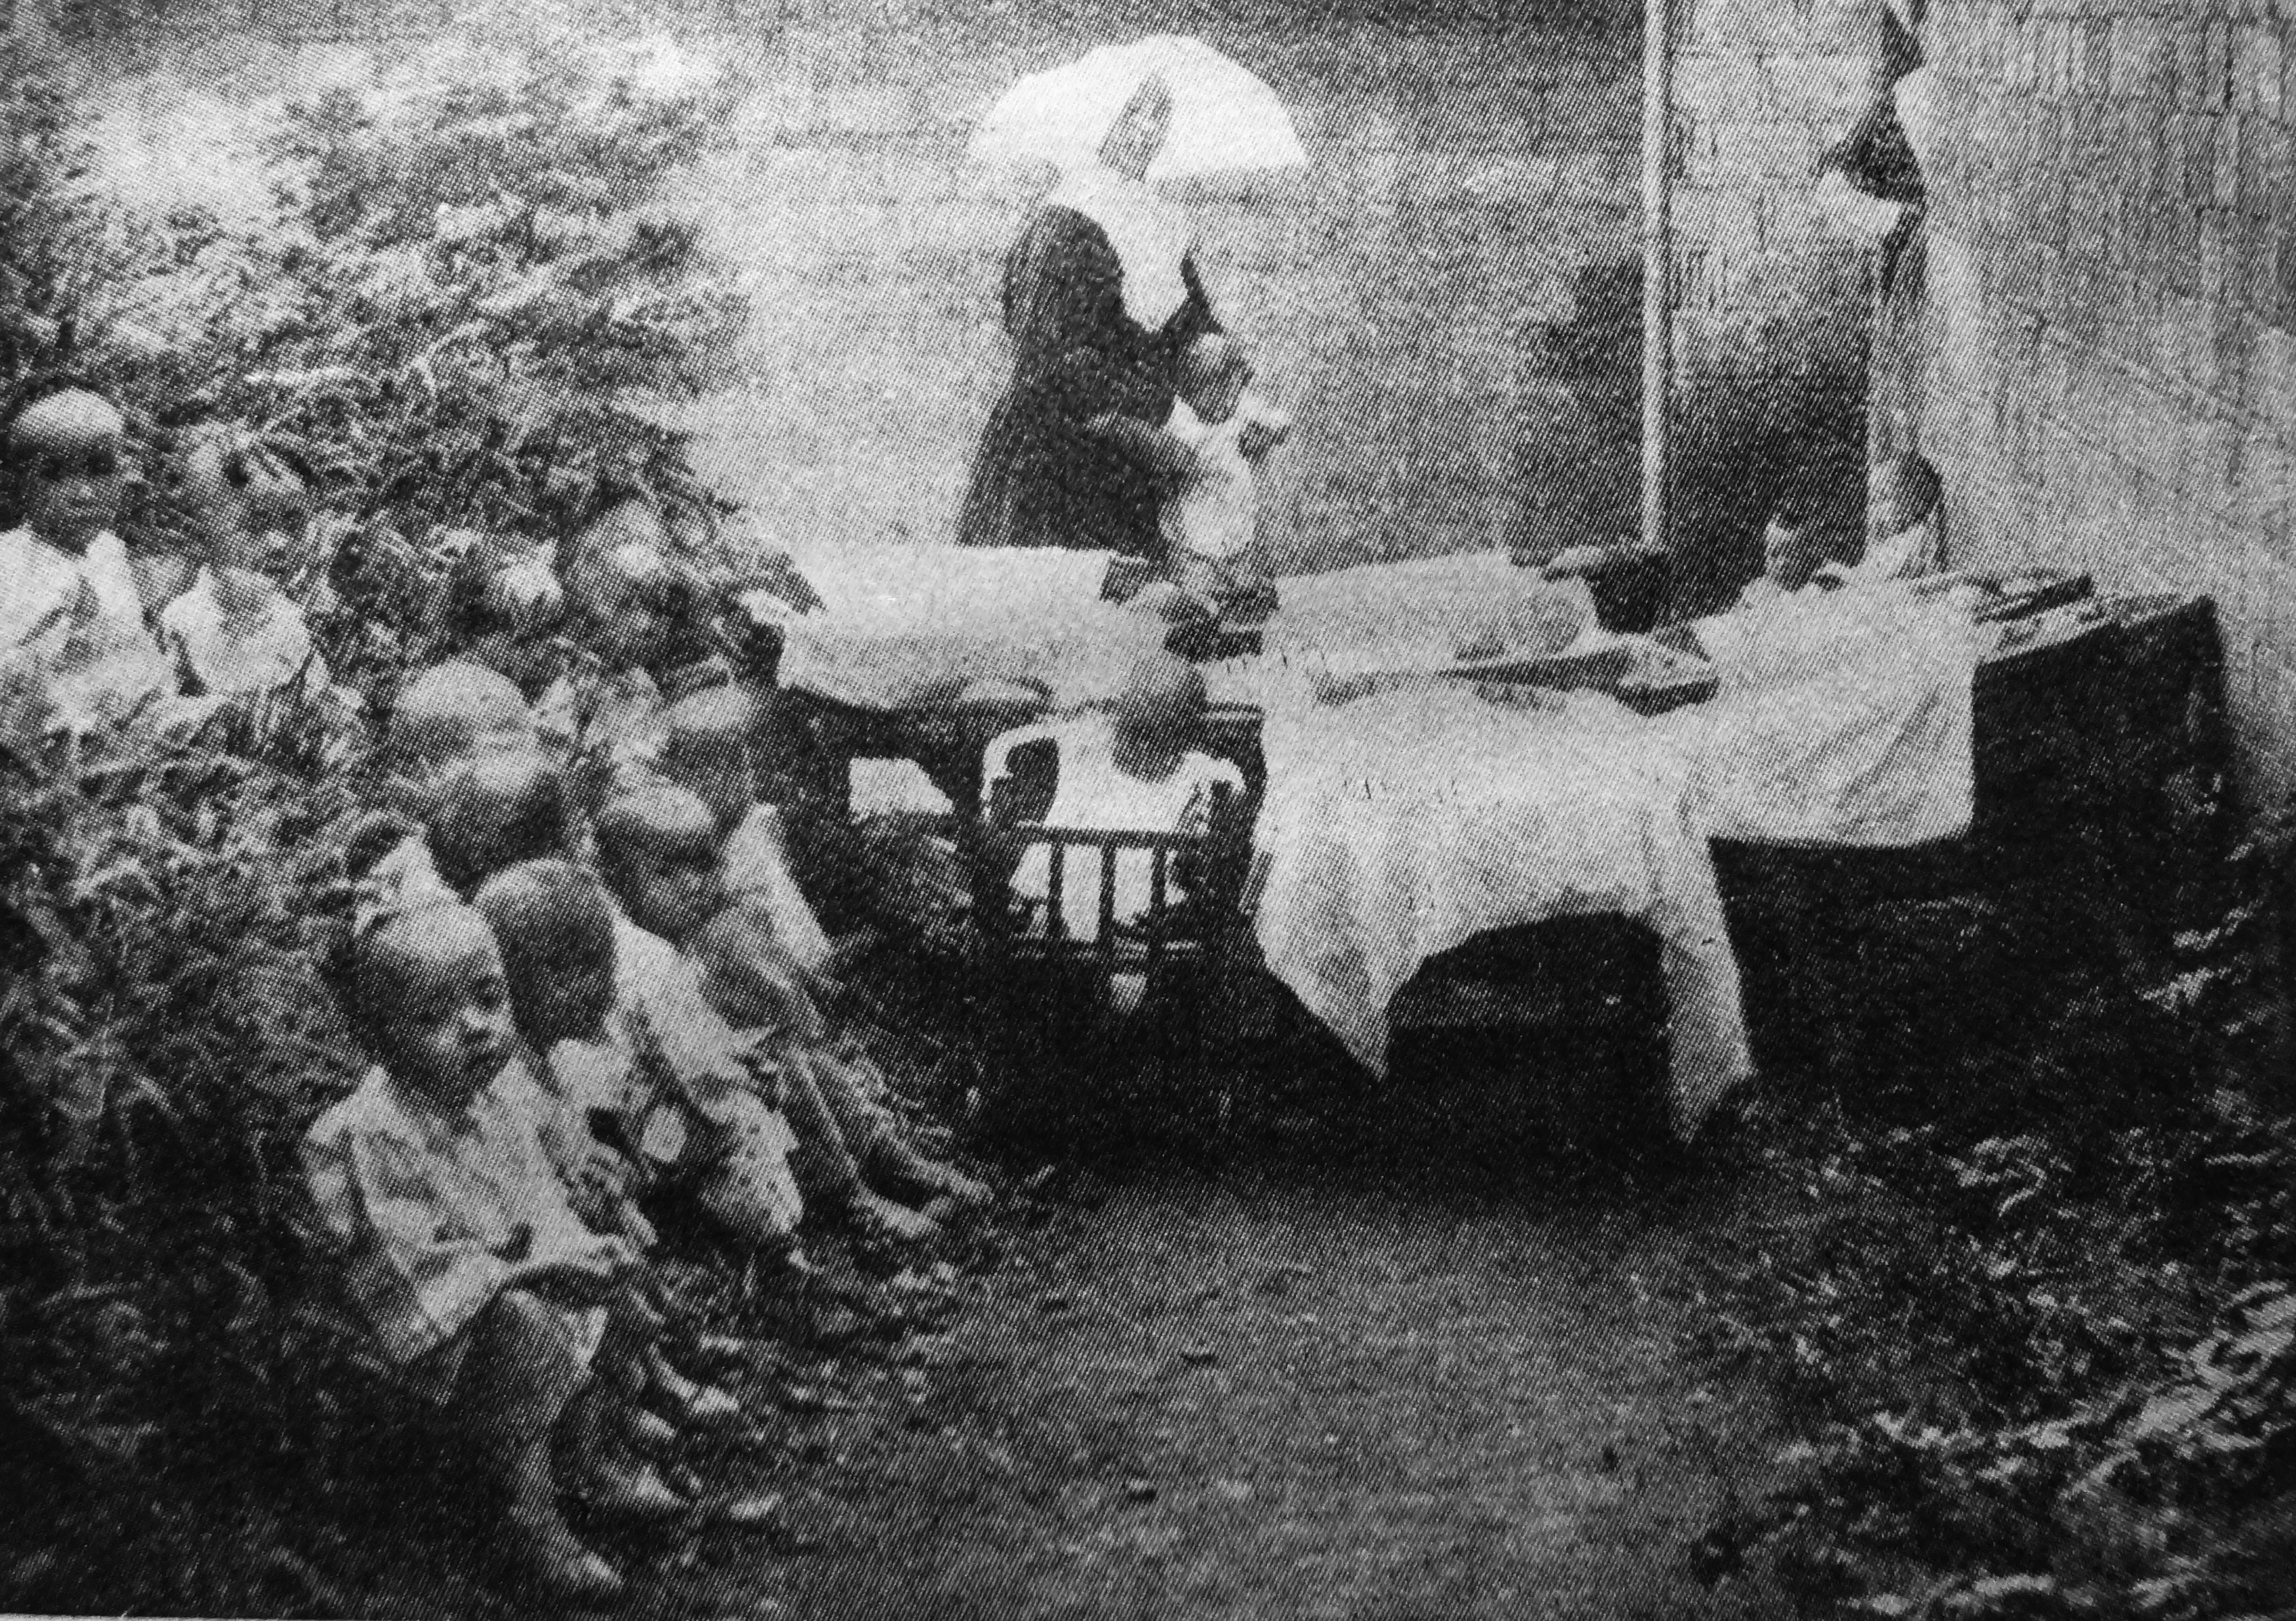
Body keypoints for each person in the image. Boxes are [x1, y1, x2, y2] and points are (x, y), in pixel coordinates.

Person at [300, 902, 675, 1603]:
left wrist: (580, 1202)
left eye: (488, 997)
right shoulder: (374, 1134)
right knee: (525, 1325)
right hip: (439, 1333)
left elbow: (534, 1193)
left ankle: (592, 1451)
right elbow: (413, 1267)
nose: (475, 1026)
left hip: (510, 1274)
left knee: (603, 1259)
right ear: (377, 1038)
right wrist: (534, 1268)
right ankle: (532, 1519)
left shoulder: (497, 1085)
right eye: (432, 1017)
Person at [657, 689, 991, 1230]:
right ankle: (849, 1194)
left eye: (738, 761)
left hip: (769, 997)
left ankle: (893, 1160)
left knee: (817, 1061)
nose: (729, 779)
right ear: (678, 773)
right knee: (791, 1066)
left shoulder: (753, 831)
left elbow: (769, 930)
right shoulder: (682, 849)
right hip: (722, 1015)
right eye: (707, 767)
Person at [473, 859, 744, 1434]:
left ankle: (662, 1362)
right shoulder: (506, 1079)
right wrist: (580, 1188)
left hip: (582, 1213)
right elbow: (521, 1174)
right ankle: (636, 1396)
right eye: (566, 972)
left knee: (621, 1244)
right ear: (508, 984)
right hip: (542, 1235)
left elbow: (575, 1136)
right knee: (604, 1267)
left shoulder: (555, 1057)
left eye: (601, 962)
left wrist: (599, 1167)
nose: (595, 985)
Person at [958, 74, 1224, 556]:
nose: (1147, 130)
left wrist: (1224, 370)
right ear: (1096, 121)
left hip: (1142, 450)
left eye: (1159, 115)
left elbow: (1194, 325)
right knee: (1071, 589)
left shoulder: (1161, 221)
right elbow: (1055, 360)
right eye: (1132, 113)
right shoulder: (1060, 223)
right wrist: (1161, 408)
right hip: (1063, 451)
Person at [589, 785, 809, 1259]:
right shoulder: (647, 962)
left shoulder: (688, 939)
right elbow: (692, 1073)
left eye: (703, 864)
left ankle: (796, 1214)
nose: (691, 885)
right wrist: (746, 1084)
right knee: (740, 1129)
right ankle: (778, 1251)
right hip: (647, 1127)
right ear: (618, 883)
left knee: (767, 1084)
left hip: (669, 1099)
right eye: (666, 873)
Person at [990, 651, 1244, 946]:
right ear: (1123, 713)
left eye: (1159, 731)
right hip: (1057, 934)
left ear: (1183, 731)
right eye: (1137, 731)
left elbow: (1202, 871)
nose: (1144, 748)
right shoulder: (1083, 759)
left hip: (1140, 937)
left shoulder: (1203, 777)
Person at [0, 384, 170, 729]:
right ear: (21, 486)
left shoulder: (108, 549)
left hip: (119, 719)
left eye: (100, 469)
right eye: (54, 475)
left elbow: (130, 648)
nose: (82, 494)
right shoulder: (11, 561)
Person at [1088, 333, 1289, 613]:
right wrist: (1124, 428)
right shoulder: (1183, 418)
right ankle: (1145, 580)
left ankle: (1238, 599)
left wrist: (1267, 434)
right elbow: (1173, 453)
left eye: (1228, 386)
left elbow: (1280, 420)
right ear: (1190, 389)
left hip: (1237, 526)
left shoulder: (1243, 407)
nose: (1219, 398)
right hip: (1191, 536)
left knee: (1248, 590)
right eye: (1206, 387)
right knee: (1195, 596)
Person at [158, 431, 328, 699]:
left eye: (293, 522)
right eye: (256, 524)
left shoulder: (297, 618)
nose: (279, 543)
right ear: (203, 531)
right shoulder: (185, 622)